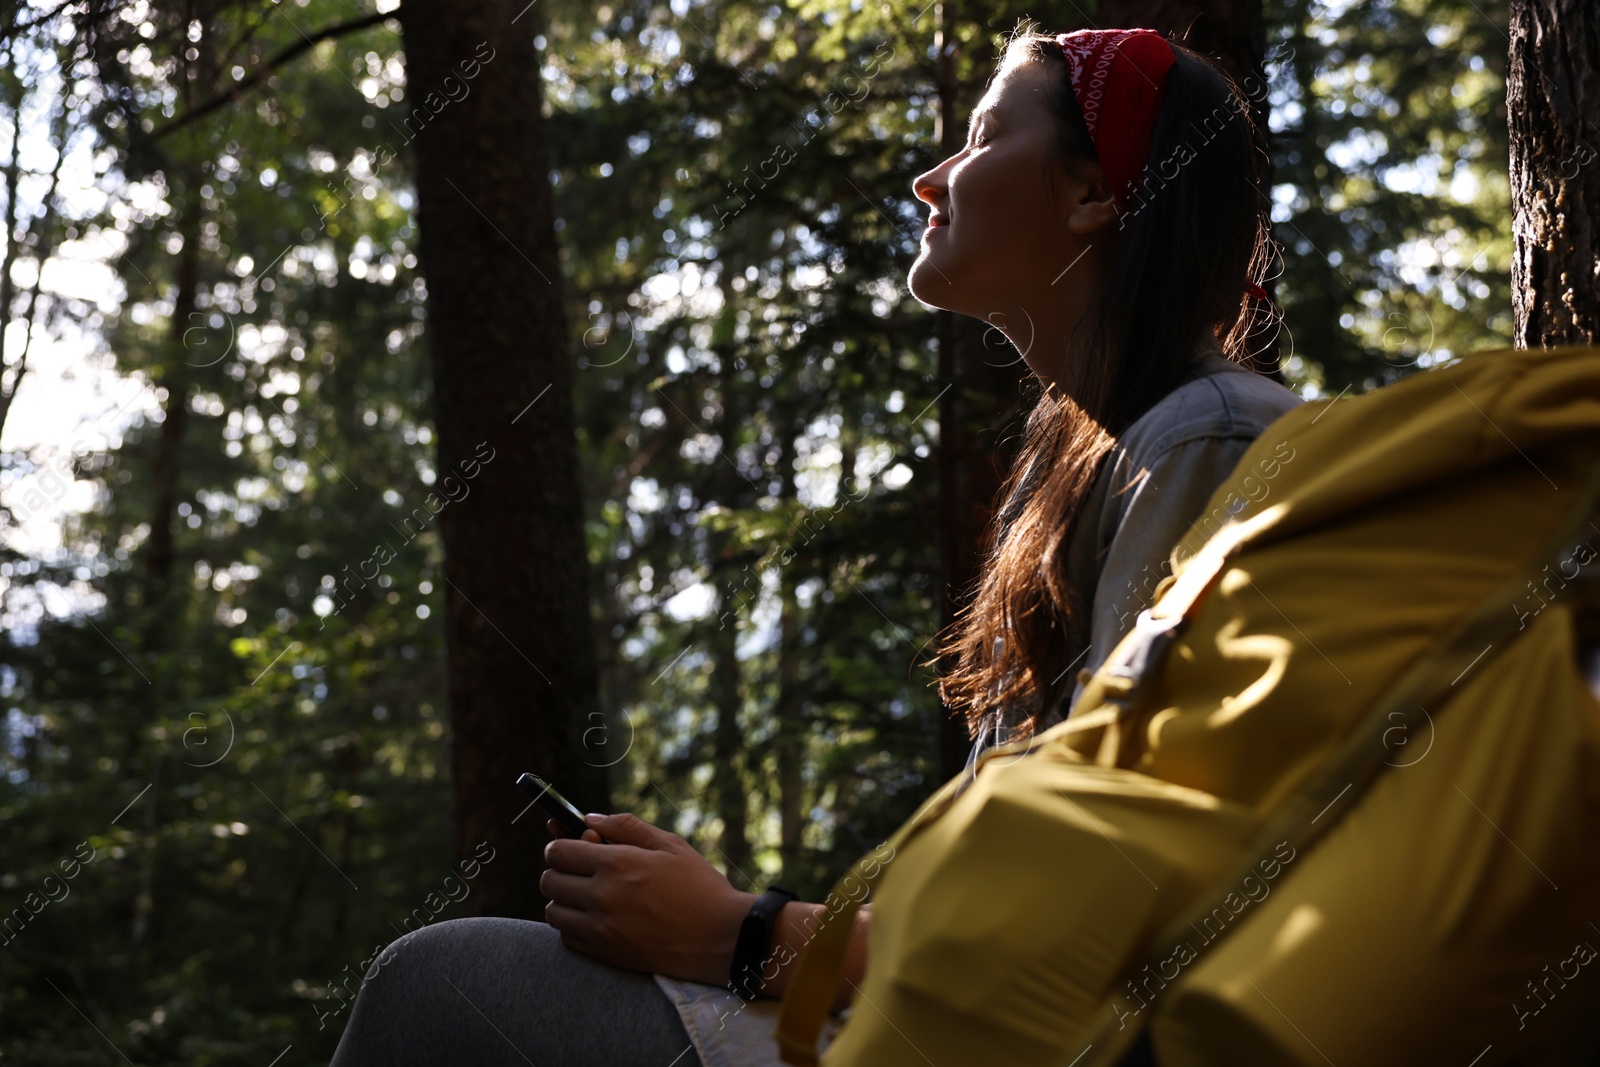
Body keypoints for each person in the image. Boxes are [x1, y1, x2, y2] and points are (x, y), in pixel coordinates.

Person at [327, 21, 1300, 1067]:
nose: (931, 179)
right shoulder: (1091, 457)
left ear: (1091, 194)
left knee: (440, 988)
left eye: (977, 140)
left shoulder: (1207, 437)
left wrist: (741, 932)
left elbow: (1118, 925)